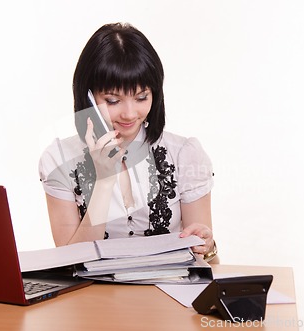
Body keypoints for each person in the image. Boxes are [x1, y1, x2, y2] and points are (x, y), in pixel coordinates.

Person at [39, 22, 218, 262]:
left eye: (142, 97)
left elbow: (208, 262)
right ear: (88, 97)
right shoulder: (59, 159)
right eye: (113, 100)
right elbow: (68, 261)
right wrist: (103, 181)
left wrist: (207, 245)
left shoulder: (185, 154)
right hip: (92, 297)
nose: (130, 114)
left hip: (165, 293)